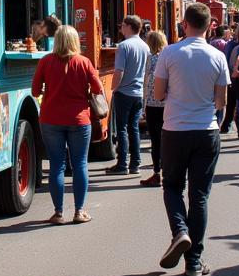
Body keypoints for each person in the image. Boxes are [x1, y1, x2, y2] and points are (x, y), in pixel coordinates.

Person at [153, 2, 230, 276]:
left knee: (172, 186)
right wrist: (217, 121)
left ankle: (179, 231)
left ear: (184, 24)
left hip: (174, 130)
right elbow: (221, 100)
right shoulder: (217, 56)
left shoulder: (169, 53)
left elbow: (159, 93)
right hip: (206, 130)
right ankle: (194, 262)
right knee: (199, 196)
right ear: (211, 25)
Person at [31, 25, 103, 225]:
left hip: (51, 119)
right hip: (79, 120)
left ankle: (58, 213)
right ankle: (79, 211)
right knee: (79, 163)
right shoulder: (83, 62)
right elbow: (97, 88)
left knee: (57, 165)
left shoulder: (46, 61)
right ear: (74, 41)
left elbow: (35, 91)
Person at [106, 14, 149, 176]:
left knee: (122, 129)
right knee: (134, 128)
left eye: (123, 25)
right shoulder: (145, 47)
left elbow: (119, 71)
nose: (121, 28)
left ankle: (122, 164)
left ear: (129, 27)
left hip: (124, 92)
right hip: (138, 93)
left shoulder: (124, 46)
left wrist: (113, 88)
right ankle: (135, 163)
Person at [141, 30, 168, 187]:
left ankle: (157, 173)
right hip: (167, 104)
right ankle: (168, 171)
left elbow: (146, 83)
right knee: (168, 139)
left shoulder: (150, 59)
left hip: (152, 105)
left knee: (156, 141)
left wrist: (144, 104)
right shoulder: (169, 58)